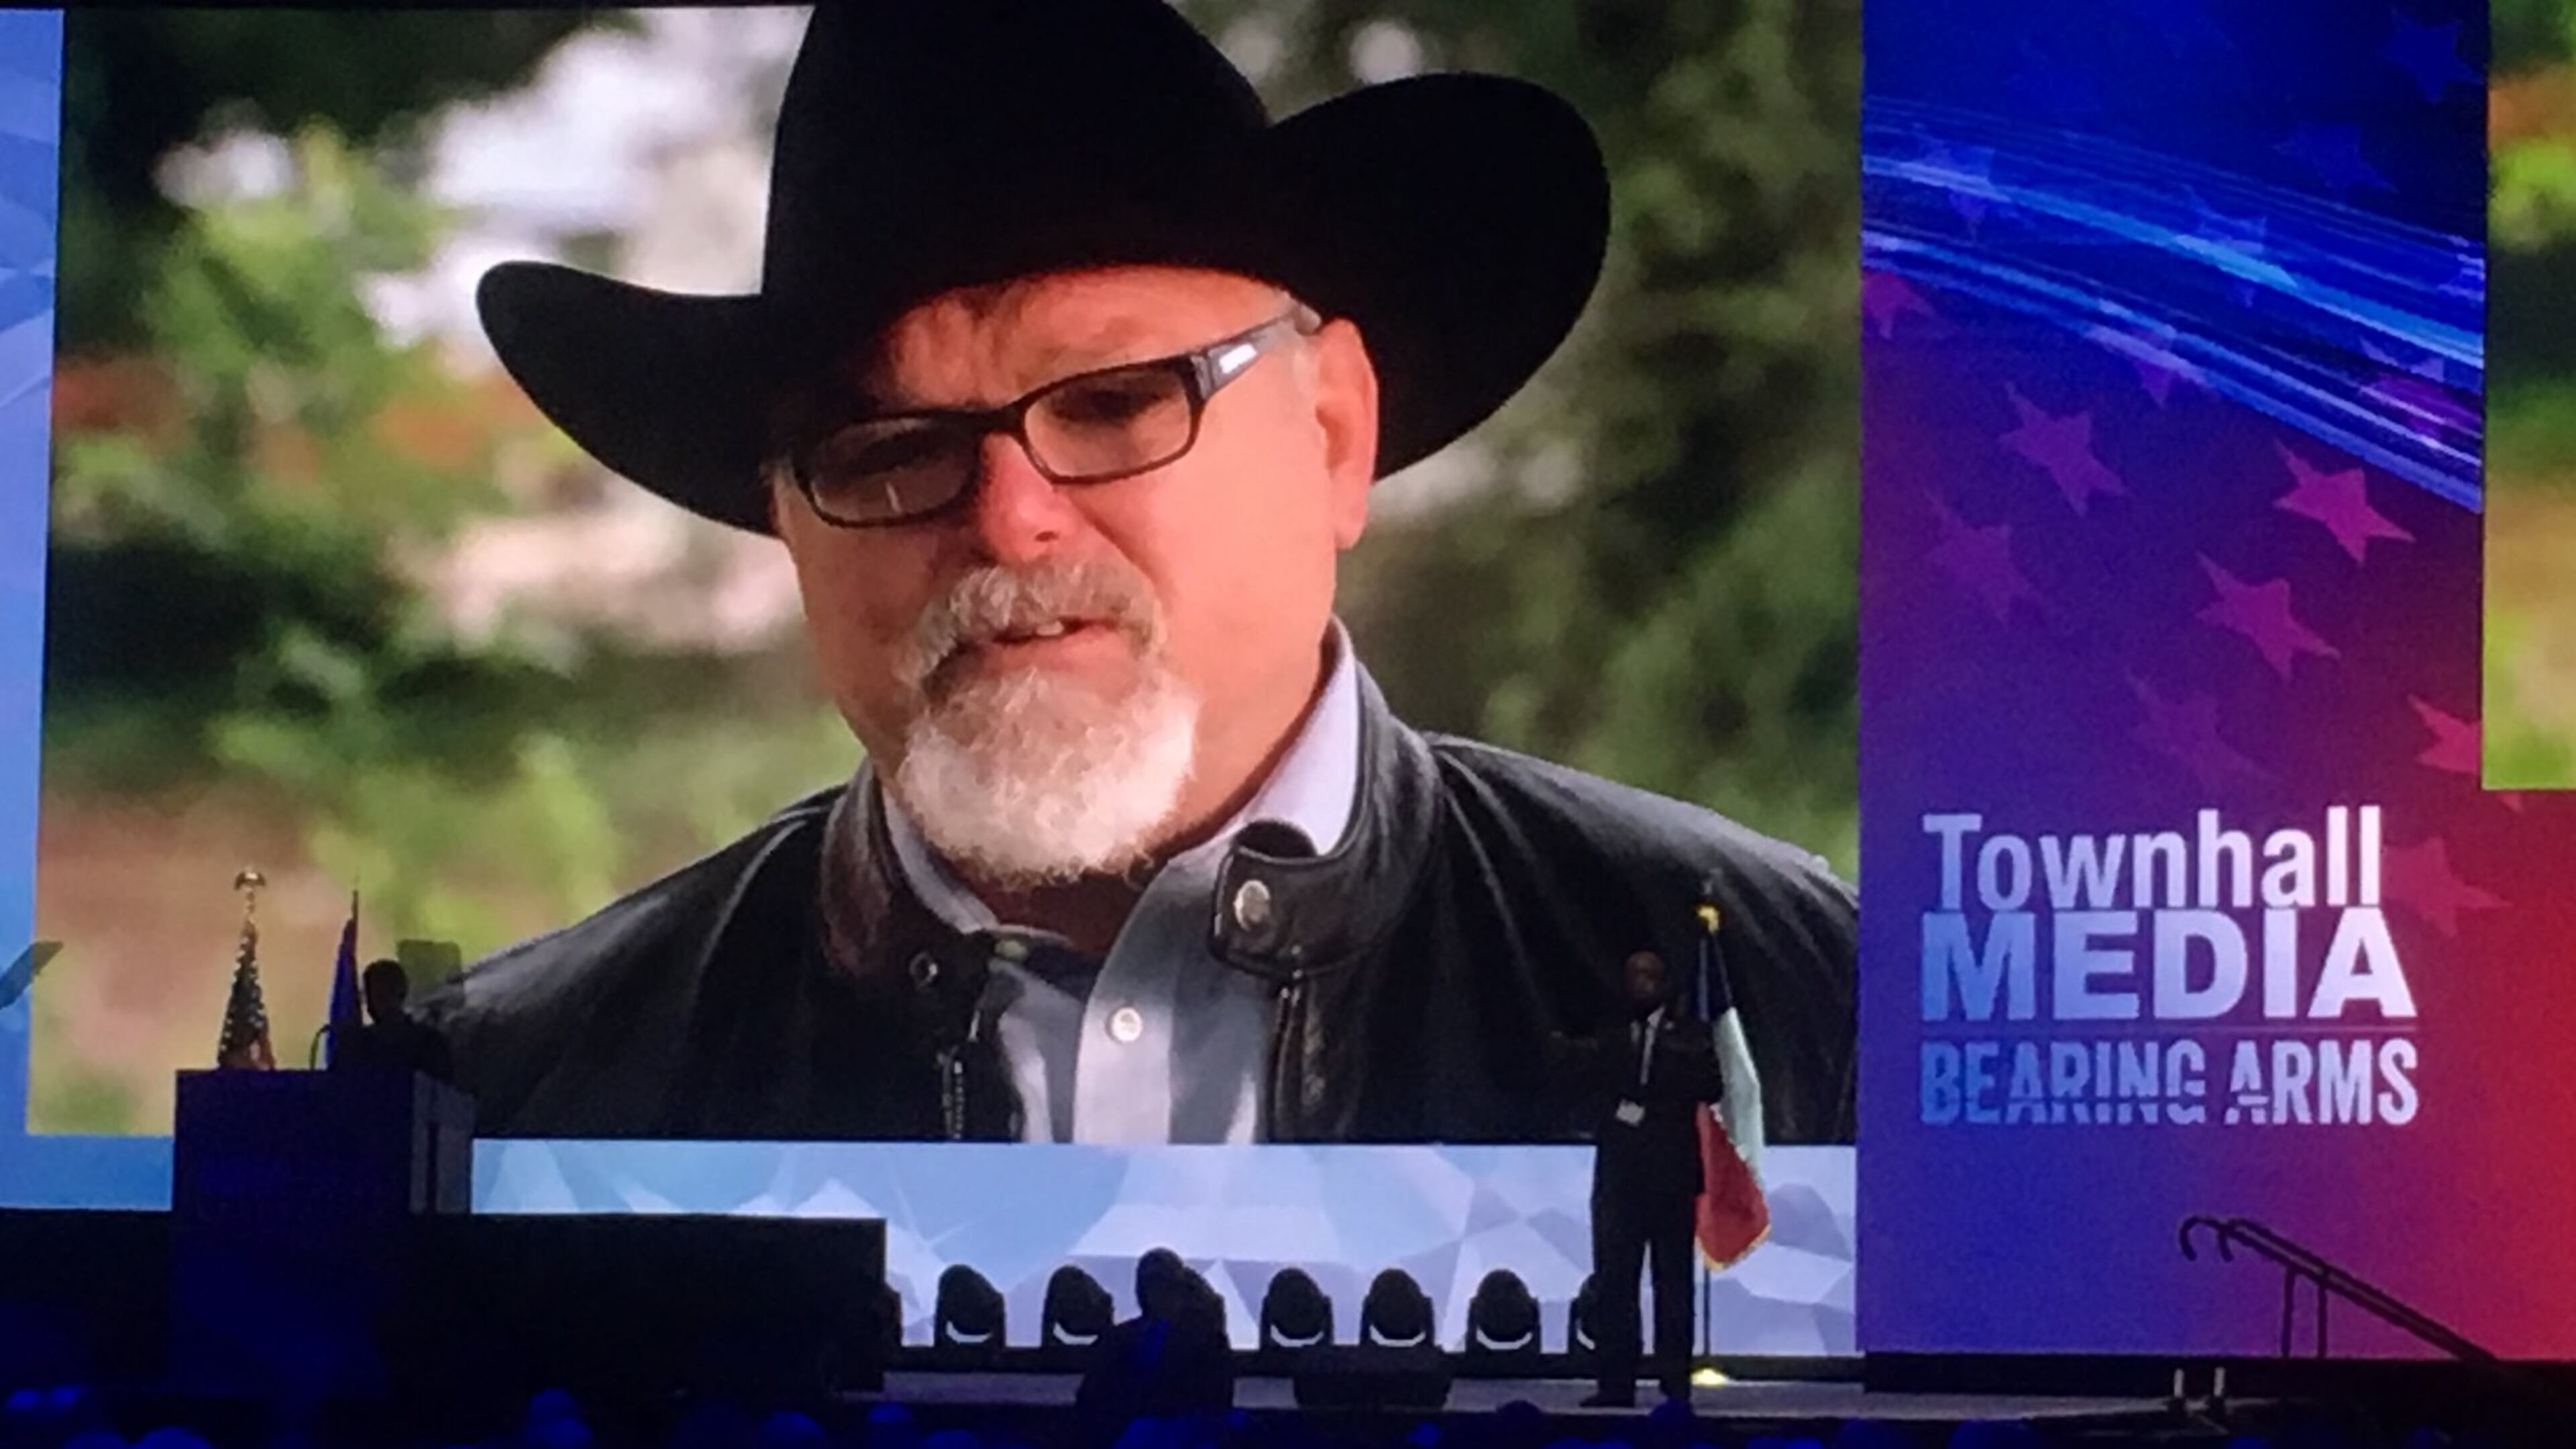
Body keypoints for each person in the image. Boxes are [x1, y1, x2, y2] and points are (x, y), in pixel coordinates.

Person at [417, 0, 1857, 1147]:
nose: (1008, 521)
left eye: (1111, 405)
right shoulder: (518, 1098)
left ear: (1334, 432)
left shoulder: (1814, 1012)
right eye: (883, 449)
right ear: (790, 521)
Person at [1559, 951, 1723, 1407]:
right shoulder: (1612, 1035)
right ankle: (1616, 1383)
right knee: (1615, 1282)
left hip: (1670, 1175)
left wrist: (1651, 1102)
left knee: (1672, 1283)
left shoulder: (1690, 1035)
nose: (1641, 984)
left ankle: (1675, 1383)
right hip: (1619, 1178)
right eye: (1633, 975)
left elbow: (1710, 1085)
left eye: (1650, 976)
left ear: (1666, 982)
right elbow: (1584, 1086)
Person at [335, 959, 455, 1083]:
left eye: (382, 995)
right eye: (370, 995)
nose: (373, 1003)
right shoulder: (353, 1043)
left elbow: (441, 1092)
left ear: (401, 993)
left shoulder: (429, 1043)